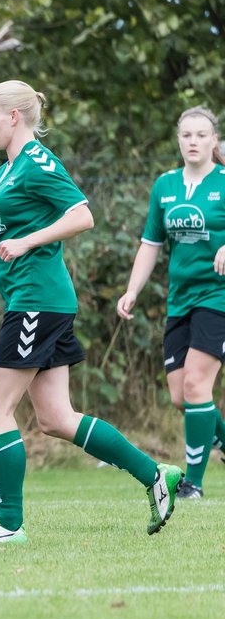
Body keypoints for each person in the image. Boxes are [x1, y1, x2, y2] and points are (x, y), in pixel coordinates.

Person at [0, 80, 182, 544]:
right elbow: (23, 222)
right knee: (56, 419)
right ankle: (155, 474)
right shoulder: (7, 169)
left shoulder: (38, 161)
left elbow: (82, 215)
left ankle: (8, 525)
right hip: (36, 299)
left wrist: (25, 241)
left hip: (36, 301)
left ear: (15, 117)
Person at [117, 105, 225, 500]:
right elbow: (151, 243)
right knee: (182, 397)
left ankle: (193, 484)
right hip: (180, 300)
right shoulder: (165, 186)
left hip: (218, 297)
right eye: (187, 135)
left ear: (214, 141)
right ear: (178, 140)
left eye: (201, 135)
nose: (193, 141)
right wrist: (132, 290)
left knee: (197, 385)